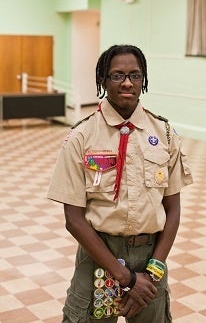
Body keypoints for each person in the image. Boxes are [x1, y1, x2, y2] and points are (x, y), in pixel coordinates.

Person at [48, 44, 193, 323]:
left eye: (135, 75)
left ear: (144, 80)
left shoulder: (163, 133)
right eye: (117, 75)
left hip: (152, 258)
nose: (127, 82)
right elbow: (74, 219)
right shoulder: (82, 136)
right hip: (99, 256)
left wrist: (153, 271)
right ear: (103, 79)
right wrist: (125, 277)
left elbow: (173, 211)